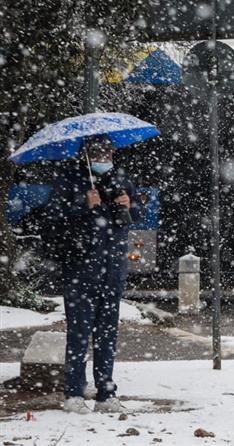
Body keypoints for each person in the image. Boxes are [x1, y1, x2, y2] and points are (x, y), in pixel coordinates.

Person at [45, 136, 141, 414]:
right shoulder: (70, 180)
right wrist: (83, 206)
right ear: (85, 154)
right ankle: (74, 392)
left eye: (109, 151)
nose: (104, 156)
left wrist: (129, 203)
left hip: (112, 267)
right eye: (98, 152)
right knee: (79, 332)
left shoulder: (120, 177)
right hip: (80, 267)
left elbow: (136, 213)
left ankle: (106, 392)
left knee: (107, 333)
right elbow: (53, 218)